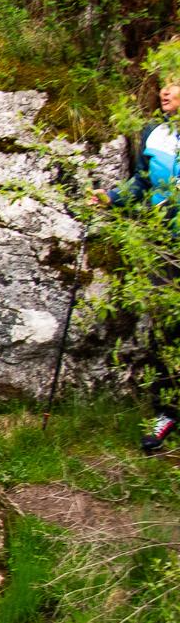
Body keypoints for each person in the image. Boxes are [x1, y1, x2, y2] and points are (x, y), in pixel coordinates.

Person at [93, 79, 180, 453]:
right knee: (166, 329)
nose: (165, 91)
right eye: (162, 85)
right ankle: (167, 414)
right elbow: (142, 184)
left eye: (175, 85)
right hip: (163, 243)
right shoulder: (153, 132)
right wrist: (112, 198)